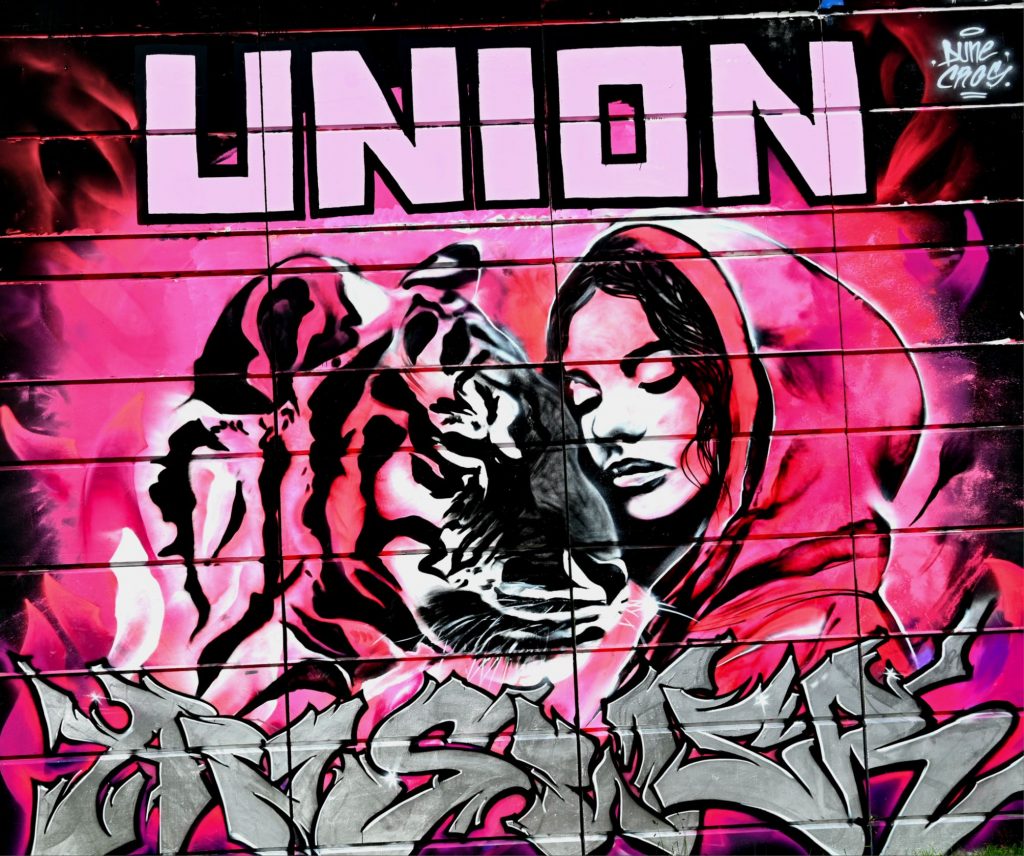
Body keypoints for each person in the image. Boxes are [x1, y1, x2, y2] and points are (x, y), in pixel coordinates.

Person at [548, 221, 924, 685]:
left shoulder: (814, 639)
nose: (605, 426)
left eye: (655, 374)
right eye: (583, 395)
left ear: (774, 390)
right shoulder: (701, 615)